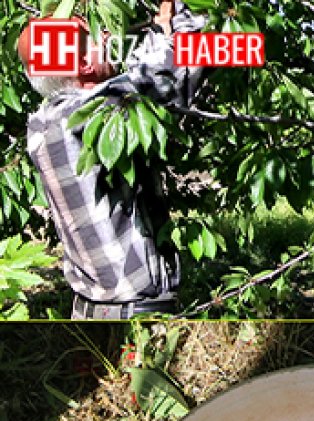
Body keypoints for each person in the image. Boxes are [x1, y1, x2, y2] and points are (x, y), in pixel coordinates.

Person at [19, 1, 206, 319]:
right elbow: (173, 69)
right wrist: (180, 15)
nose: (109, 36)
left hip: (92, 308)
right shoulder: (90, 115)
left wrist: (160, 32)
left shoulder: (43, 122)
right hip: (133, 312)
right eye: (97, 35)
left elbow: (142, 70)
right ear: (83, 65)